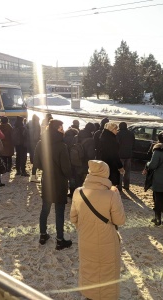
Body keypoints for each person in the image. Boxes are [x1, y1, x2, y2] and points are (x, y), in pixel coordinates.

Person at [70, 160, 126, 300]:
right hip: (107, 240)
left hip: (85, 238)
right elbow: (120, 220)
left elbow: (73, 218)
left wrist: (86, 228)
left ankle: (89, 296)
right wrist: (117, 195)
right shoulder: (111, 194)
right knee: (107, 272)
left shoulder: (78, 192)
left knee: (89, 270)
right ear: (105, 173)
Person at [34, 119, 72, 250]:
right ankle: (60, 240)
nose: (63, 130)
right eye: (61, 128)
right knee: (59, 211)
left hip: (47, 180)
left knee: (45, 208)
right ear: (57, 129)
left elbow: (37, 163)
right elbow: (66, 168)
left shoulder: (40, 143)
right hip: (59, 181)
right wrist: (69, 177)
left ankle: (43, 235)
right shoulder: (62, 146)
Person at [98, 122, 124, 187]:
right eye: (116, 129)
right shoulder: (111, 139)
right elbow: (115, 154)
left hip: (104, 163)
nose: (117, 131)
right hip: (111, 165)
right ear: (111, 129)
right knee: (111, 184)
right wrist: (120, 166)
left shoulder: (103, 136)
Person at [116, 122, 135, 191]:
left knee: (120, 171)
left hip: (120, 155)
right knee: (127, 171)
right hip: (129, 155)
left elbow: (116, 144)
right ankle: (126, 186)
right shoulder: (131, 133)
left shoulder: (118, 134)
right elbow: (133, 143)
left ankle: (119, 186)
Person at [26, 114, 41, 183]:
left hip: (29, 144)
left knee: (33, 160)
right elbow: (36, 137)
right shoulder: (37, 126)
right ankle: (33, 176)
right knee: (36, 161)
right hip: (35, 144)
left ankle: (34, 175)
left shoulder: (28, 124)